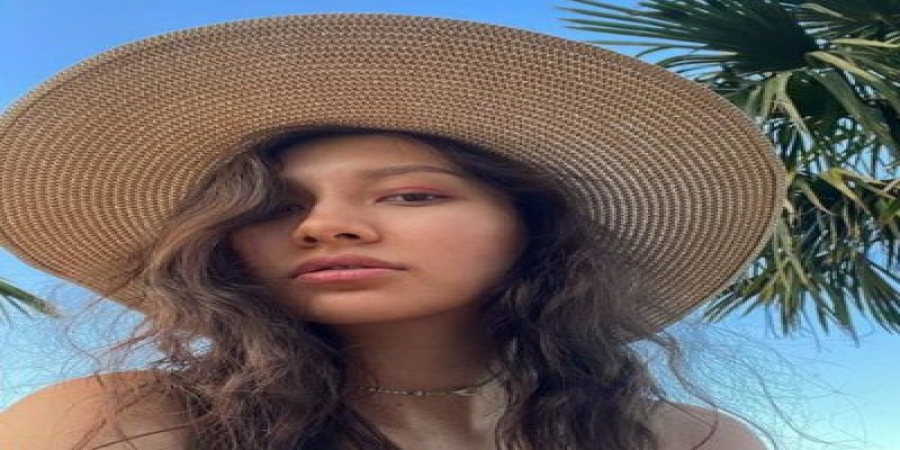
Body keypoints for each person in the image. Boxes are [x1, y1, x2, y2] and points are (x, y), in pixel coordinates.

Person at [0, 14, 784, 450]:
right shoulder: (121, 425)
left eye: (410, 195)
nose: (326, 226)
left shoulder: (687, 440)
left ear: (532, 225)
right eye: (275, 207)